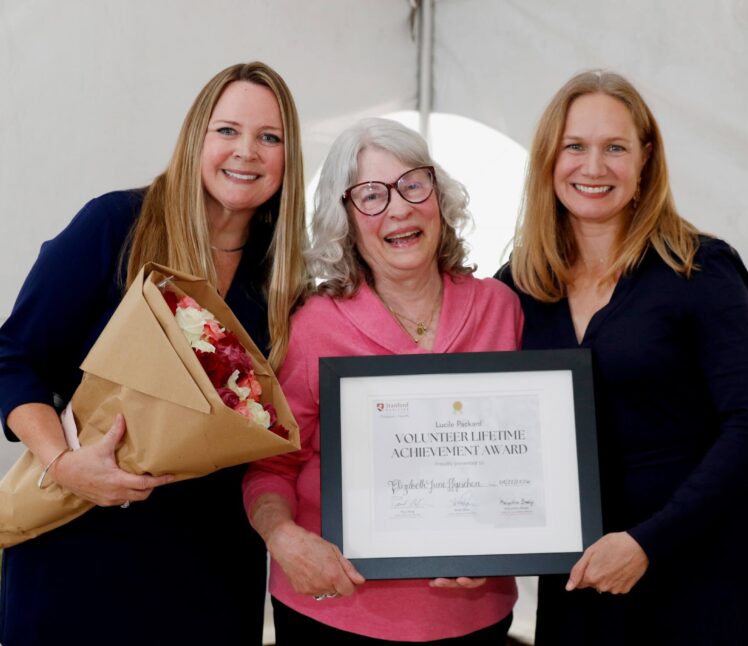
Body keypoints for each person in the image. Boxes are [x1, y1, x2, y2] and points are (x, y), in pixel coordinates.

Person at [0, 61, 308, 646]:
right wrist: (63, 464)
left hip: (211, 568)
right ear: (196, 137)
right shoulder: (115, 226)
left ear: (288, 159)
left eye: (270, 137)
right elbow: (15, 357)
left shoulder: (285, 280)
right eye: (227, 131)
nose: (247, 151)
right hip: (80, 547)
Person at [496, 70, 748, 645]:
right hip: (580, 584)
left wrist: (649, 541)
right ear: (549, 159)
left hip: (698, 575)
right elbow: (494, 431)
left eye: (614, 147)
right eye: (575, 146)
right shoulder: (519, 285)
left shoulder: (701, 271)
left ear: (645, 160)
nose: (593, 167)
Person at [243, 118, 522, 643]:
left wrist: (507, 538)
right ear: (344, 220)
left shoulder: (500, 310)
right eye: (370, 195)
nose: (399, 208)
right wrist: (282, 537)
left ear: (438, 195)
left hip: (471, 616)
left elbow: (527, 456)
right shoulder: (311, 326)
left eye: (413, 184)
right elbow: (272, 463)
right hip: (335, 613)